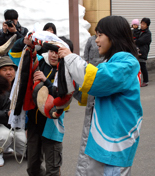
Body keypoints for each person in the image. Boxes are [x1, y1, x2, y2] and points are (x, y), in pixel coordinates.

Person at [58, 15, 143, 176]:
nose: (95, 41)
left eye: (99, 35)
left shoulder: (127, 63)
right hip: (102, 142)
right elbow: (87, 92)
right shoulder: (110, 63)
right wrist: (66, 69)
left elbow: (95, 80)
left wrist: (70, 58)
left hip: (114, 145)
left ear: (114, 36)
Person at [9, 33, 71, 176]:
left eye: (57, 52)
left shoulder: (66, 71)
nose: (54, 55)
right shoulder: (39, 61)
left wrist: (46, 81)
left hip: (52, 127)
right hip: (33, 125)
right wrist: (23, 42)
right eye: (51, 51)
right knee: (32, 168)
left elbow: (63, 98)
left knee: (52, 170)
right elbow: (16, 55)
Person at [0, 56, 27, 167]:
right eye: (4, 70)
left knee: (28, 148)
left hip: (17, 126)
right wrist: (6, 114)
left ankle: (8, 145)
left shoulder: (20, 87)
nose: (8, 72)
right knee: (4, 136)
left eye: (11, 69)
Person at [136, 17, 152, 87]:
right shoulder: (139, 31)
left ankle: (146, 81)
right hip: (136, 51)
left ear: (147, 25)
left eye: (144, 24)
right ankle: (136, 80)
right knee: (136, 66)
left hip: (143, 52)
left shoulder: (148, 33)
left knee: (143, 66)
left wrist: (135, 41)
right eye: (141, 23)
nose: (142, 25)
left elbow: (140, 41)